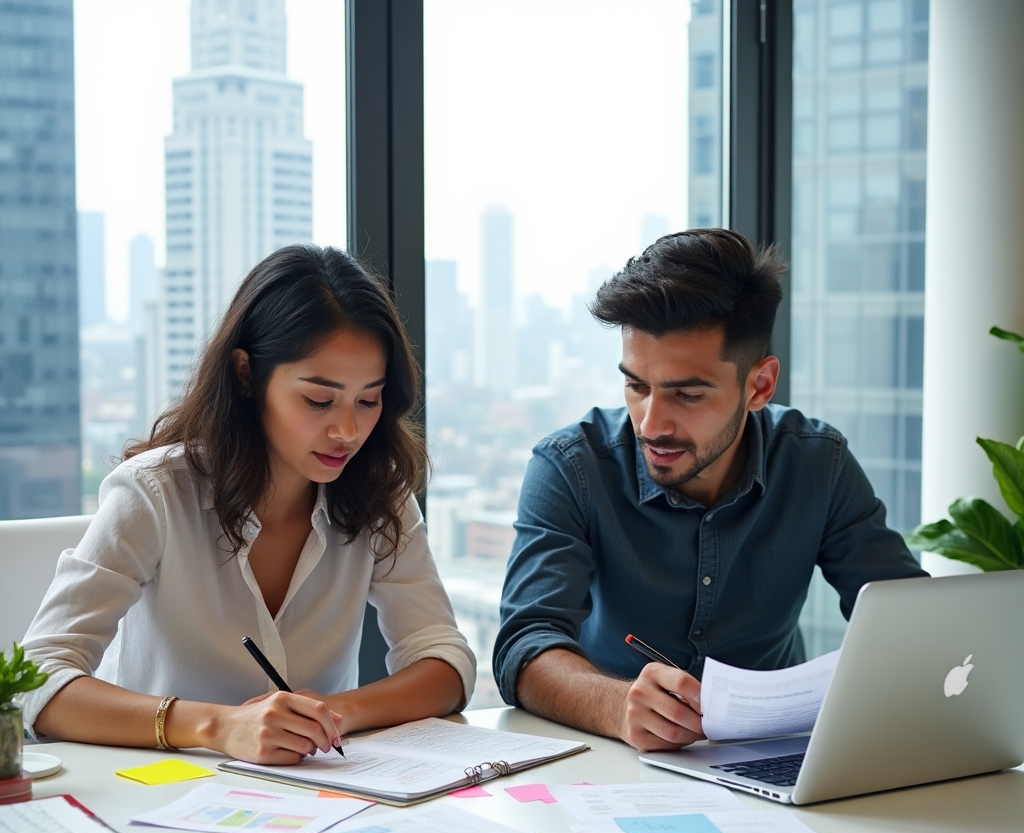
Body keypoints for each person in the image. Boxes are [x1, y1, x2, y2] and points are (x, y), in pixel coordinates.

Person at [21, 244, 474, 764]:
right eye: (319, 400)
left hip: (314, 801)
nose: (348, 431)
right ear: (245, 374)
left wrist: (328, 713)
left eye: (368, 400)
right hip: (157, 793)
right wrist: (217, 725)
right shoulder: (154, 493)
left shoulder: (377, 493)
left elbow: (445, 663)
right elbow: (38, 678)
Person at [493, 228, 925, 752]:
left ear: (759, 386)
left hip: (777, 757)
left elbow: (906, 621)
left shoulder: (818, 463)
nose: (652, 423)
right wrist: (617, 706)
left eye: (688, 394)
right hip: (617, 760)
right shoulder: (571, 466)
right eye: (636, 385)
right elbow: (526, 643)